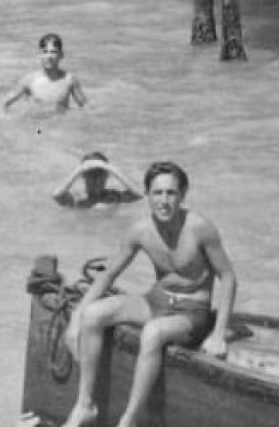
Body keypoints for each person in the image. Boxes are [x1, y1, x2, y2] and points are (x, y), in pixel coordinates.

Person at [59, 161, 238, 427]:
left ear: (183, 194)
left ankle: (131, 419)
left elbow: (228, 277)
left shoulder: (200, 228)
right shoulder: (140, 231)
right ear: (147, 196)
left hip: (192, 313)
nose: (163, 201)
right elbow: (107, 274)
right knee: (93, 315)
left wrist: (218, 334)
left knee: (152, 332)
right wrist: (76, 317)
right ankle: (85, 406)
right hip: (156, 302)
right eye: (157, 193)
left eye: (170, 193)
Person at [2, 33, 89, 114]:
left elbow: (86, 108)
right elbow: (4, 103)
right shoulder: (29, 80)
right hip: (36, 128)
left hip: (60, 127)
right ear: (39, 54)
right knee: (38, 131)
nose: (49, 56)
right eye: (45, 52)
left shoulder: (69, 80)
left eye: (53, 52)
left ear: (61, 54)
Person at [53, 152, 141, 208]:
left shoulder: (113, 197)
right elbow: (56, 195)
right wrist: (80, 169)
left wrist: (111, 169)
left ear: (106, 175)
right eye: (91, 174)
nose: (96, 179)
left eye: (100, 173)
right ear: (83, 175)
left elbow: (139, 195)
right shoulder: (77, 199)